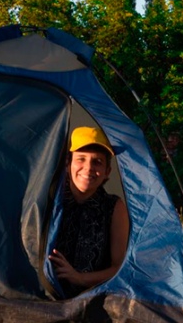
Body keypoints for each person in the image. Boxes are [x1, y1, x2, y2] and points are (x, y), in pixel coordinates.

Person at [48, 126, 130, 298]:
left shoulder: (114, 207)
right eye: (81, 159)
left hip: (92, 298)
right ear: (68, 164)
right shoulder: (51, 200)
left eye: (97, 162)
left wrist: (79, 278)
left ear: (107, 172)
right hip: (47, 295)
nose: (88, 168)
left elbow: (118, 268)